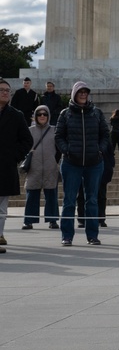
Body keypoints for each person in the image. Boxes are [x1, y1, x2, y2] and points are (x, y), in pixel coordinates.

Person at [54, 81, 110, 246]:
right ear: (74, 94)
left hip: (94, 162)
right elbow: (58, 136)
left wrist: (100, 150)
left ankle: (92, 235)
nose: (83, 94)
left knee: (92, 200)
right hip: (72, 163)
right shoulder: (65, 114)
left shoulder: (97, 113)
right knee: (69, 200)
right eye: (80, 92)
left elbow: (105, 135)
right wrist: (67, 150)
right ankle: (67, 236)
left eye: (85, 92)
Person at [0, 80, 33, 252]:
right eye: (2, 90)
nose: (5, 93)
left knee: (1, 207)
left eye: (7, 90)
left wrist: (14, 157)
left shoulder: (16, 115)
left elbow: (27, 140)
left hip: (5, 166)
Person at [22, 105, 60, 230]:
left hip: (50, 168)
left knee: (51, 196)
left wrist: (55, 161)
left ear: (48, 116)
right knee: (31, 195)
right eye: (39, 114)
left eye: (45, 114)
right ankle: (29, 221)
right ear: (36, 116)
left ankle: (52, 220)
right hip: (34, 168)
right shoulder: (29, 130)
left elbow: (59, 149)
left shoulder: (54, 130)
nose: (42, 116)